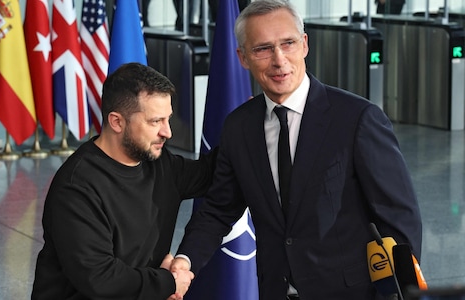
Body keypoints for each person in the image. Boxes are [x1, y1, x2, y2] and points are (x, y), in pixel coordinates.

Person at [171, 0, 422, 299]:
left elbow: (399, 219)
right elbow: (217, 209)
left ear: (304, 45)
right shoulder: (238, 127)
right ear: (243, 58)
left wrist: (400, 293)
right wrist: (183, 263)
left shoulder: (357, 119)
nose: (279, 60)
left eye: (287, 43)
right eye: (262, 49)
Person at [31, 63, 217, 300]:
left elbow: (212, 172)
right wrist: (168, 282)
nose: (167, 132)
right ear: (117, 122)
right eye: (155, 121)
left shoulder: (159, 163)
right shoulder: (76, 187)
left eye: (167, 119)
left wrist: (249, 125)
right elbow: (100, 278)